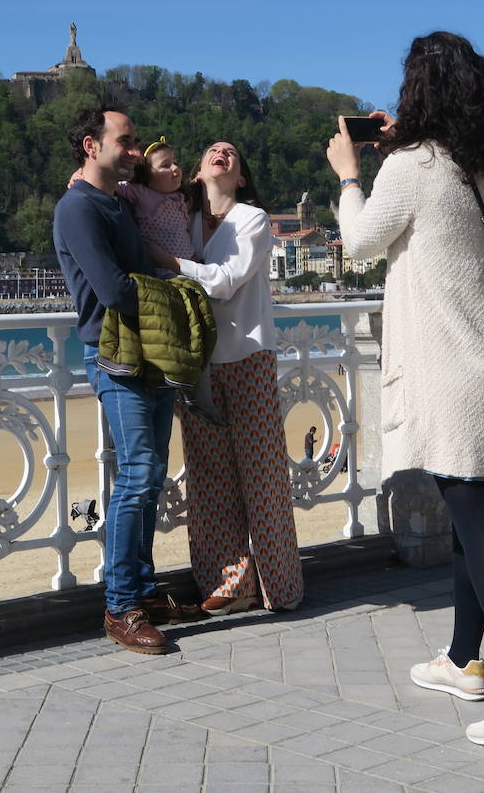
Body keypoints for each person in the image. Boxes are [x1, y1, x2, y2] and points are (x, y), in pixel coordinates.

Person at [327, 31, 484, 747]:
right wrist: (414, 143)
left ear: (415, 94)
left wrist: (349, 174)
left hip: (450, 372)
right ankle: (466, 661)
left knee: (480, 522)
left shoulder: (410, 166)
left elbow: (363, 241)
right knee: (477, 509)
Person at [53, 105, 204, 655]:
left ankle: (144, 590)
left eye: (138, 140)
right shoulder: (77, 208)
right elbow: (116, 290)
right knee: (139, 475)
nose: (136, 149)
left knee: (151, 472)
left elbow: (145, 254)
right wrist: (177, 297)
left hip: (148, 351)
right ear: (92, 146)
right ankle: (120, 607)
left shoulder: (114, 201)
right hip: (113, 355)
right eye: (127, 140)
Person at [150, 142, 304, 616]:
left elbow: (225, 280)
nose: (223, 153)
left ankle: (282, 585)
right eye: (213, 151)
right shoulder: (183, 220)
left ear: (239, 177)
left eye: (233, 153)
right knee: (209, 479)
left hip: (249, 356)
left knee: (263, 475)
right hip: (197, 361)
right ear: (197, 172)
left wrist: (172, 263)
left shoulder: (252, 219)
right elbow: (138, 191)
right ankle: (231, 582)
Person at [118, 137, 225, 426]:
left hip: (187, 274)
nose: (175, 168)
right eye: (165, 165)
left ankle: (195, 392)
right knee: (180, 334)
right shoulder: (140, 193)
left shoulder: (182, 196)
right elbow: (112, 185)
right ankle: (187, 389)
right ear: (147, 174)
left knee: (199, 333)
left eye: (176, 162)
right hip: (164, 277)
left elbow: (201, 187)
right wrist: (79, 177)